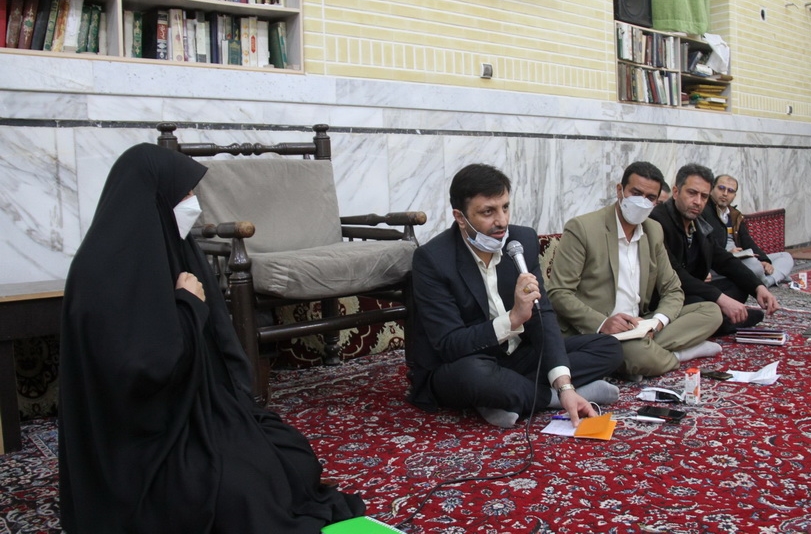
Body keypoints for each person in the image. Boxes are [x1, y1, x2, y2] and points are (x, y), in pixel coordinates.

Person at [58, 144, 365, 533]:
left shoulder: (174, 247)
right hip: (143, 445)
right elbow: (141, 373)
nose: (192, 202)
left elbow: (215, 343)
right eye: (184, 193)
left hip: (197, 413)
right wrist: (188, 306)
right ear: (155, 196)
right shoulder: (98, 275)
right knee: (244, 494)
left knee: (292, 456)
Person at [407, 164, 624, 428]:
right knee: (475, 376)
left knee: (609, 347)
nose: (502, 221)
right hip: (465, 361)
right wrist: (512, 320)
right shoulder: (433, 259)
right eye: (488, 212)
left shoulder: (521, 241)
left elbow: (543, 313)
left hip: (516, 356)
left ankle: (503, 397)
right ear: (460, 217)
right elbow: (449, 344)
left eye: (505, 207)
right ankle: (548, 398)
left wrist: (564, 383)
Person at [548, 161, 723, 379]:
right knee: (635, 353)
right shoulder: (583, 228)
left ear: (657, 201)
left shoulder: (653, 230)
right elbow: (558, 293)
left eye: (650, 197)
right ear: (620, 190)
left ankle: (645, 355)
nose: (642, 201)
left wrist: (656, 323)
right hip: (598, 330)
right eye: (636, 193)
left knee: (711, 311)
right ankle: (677, 355)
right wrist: (603, 323)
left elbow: (672, 289)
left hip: (640, 324)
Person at [649, 163, 780, 334]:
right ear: (676, 192)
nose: (698, 202)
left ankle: (718, 319)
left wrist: (758, 287)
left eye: (704, 196)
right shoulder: (657, 221)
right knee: (708, 306)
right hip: (667, 297)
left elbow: (723, 259)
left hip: (693, 291)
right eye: (692, 193)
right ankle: (721, 322)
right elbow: (674, 275)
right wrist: (720, 298)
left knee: (738, 286)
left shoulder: (699, 223)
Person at [703, 174, 795, 287]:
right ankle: (770, 279)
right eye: (721, 188)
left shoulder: (734, 215)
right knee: (755, 267)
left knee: (785, 257)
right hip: (719, 261)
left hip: (740, 258)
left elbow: (747, 241)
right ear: (712, 188)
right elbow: (705, 244)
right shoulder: (704, 211)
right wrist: (727, 254)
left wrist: (765, 261)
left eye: (730, 191)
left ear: (734, 195)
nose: (725, 193)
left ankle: (765, 280)